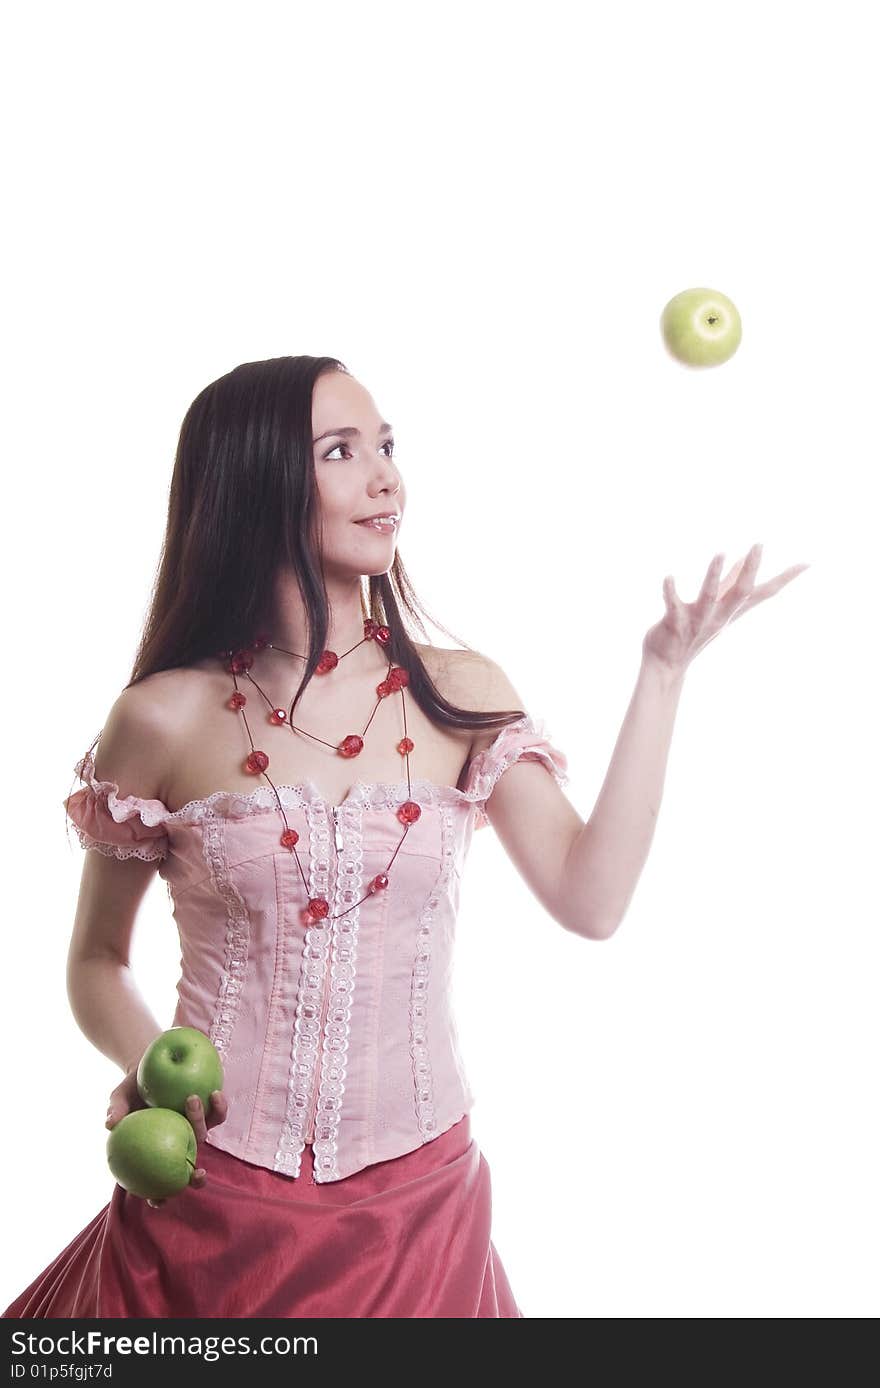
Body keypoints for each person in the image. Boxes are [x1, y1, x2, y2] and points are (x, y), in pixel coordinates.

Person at [3, 356, 807, 1320]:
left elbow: (591, 901)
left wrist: (664, 673)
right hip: (207, 1202)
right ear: (255, 484)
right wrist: (153, 1069)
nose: (386, 477)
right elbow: (96, 960)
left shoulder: (459, 693)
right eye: (341, 452)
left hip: (416, 1212)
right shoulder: (162, 720)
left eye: (387, 445)